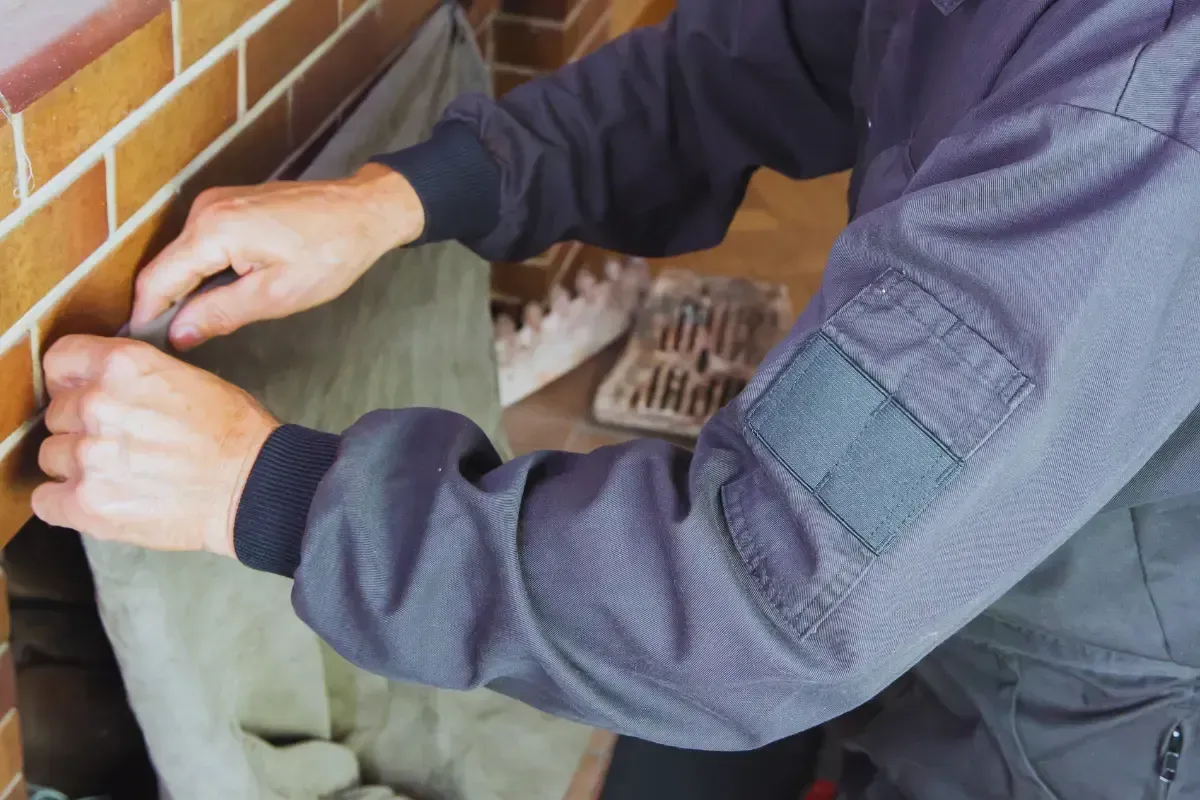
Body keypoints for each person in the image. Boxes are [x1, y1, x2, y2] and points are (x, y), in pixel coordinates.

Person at [30, 0, 1200, 797]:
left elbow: (755, 600)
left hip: (1080, 725)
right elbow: (727, 73)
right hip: (940, 616)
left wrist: (257, 485)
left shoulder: (1132, 116)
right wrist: (402, 194)